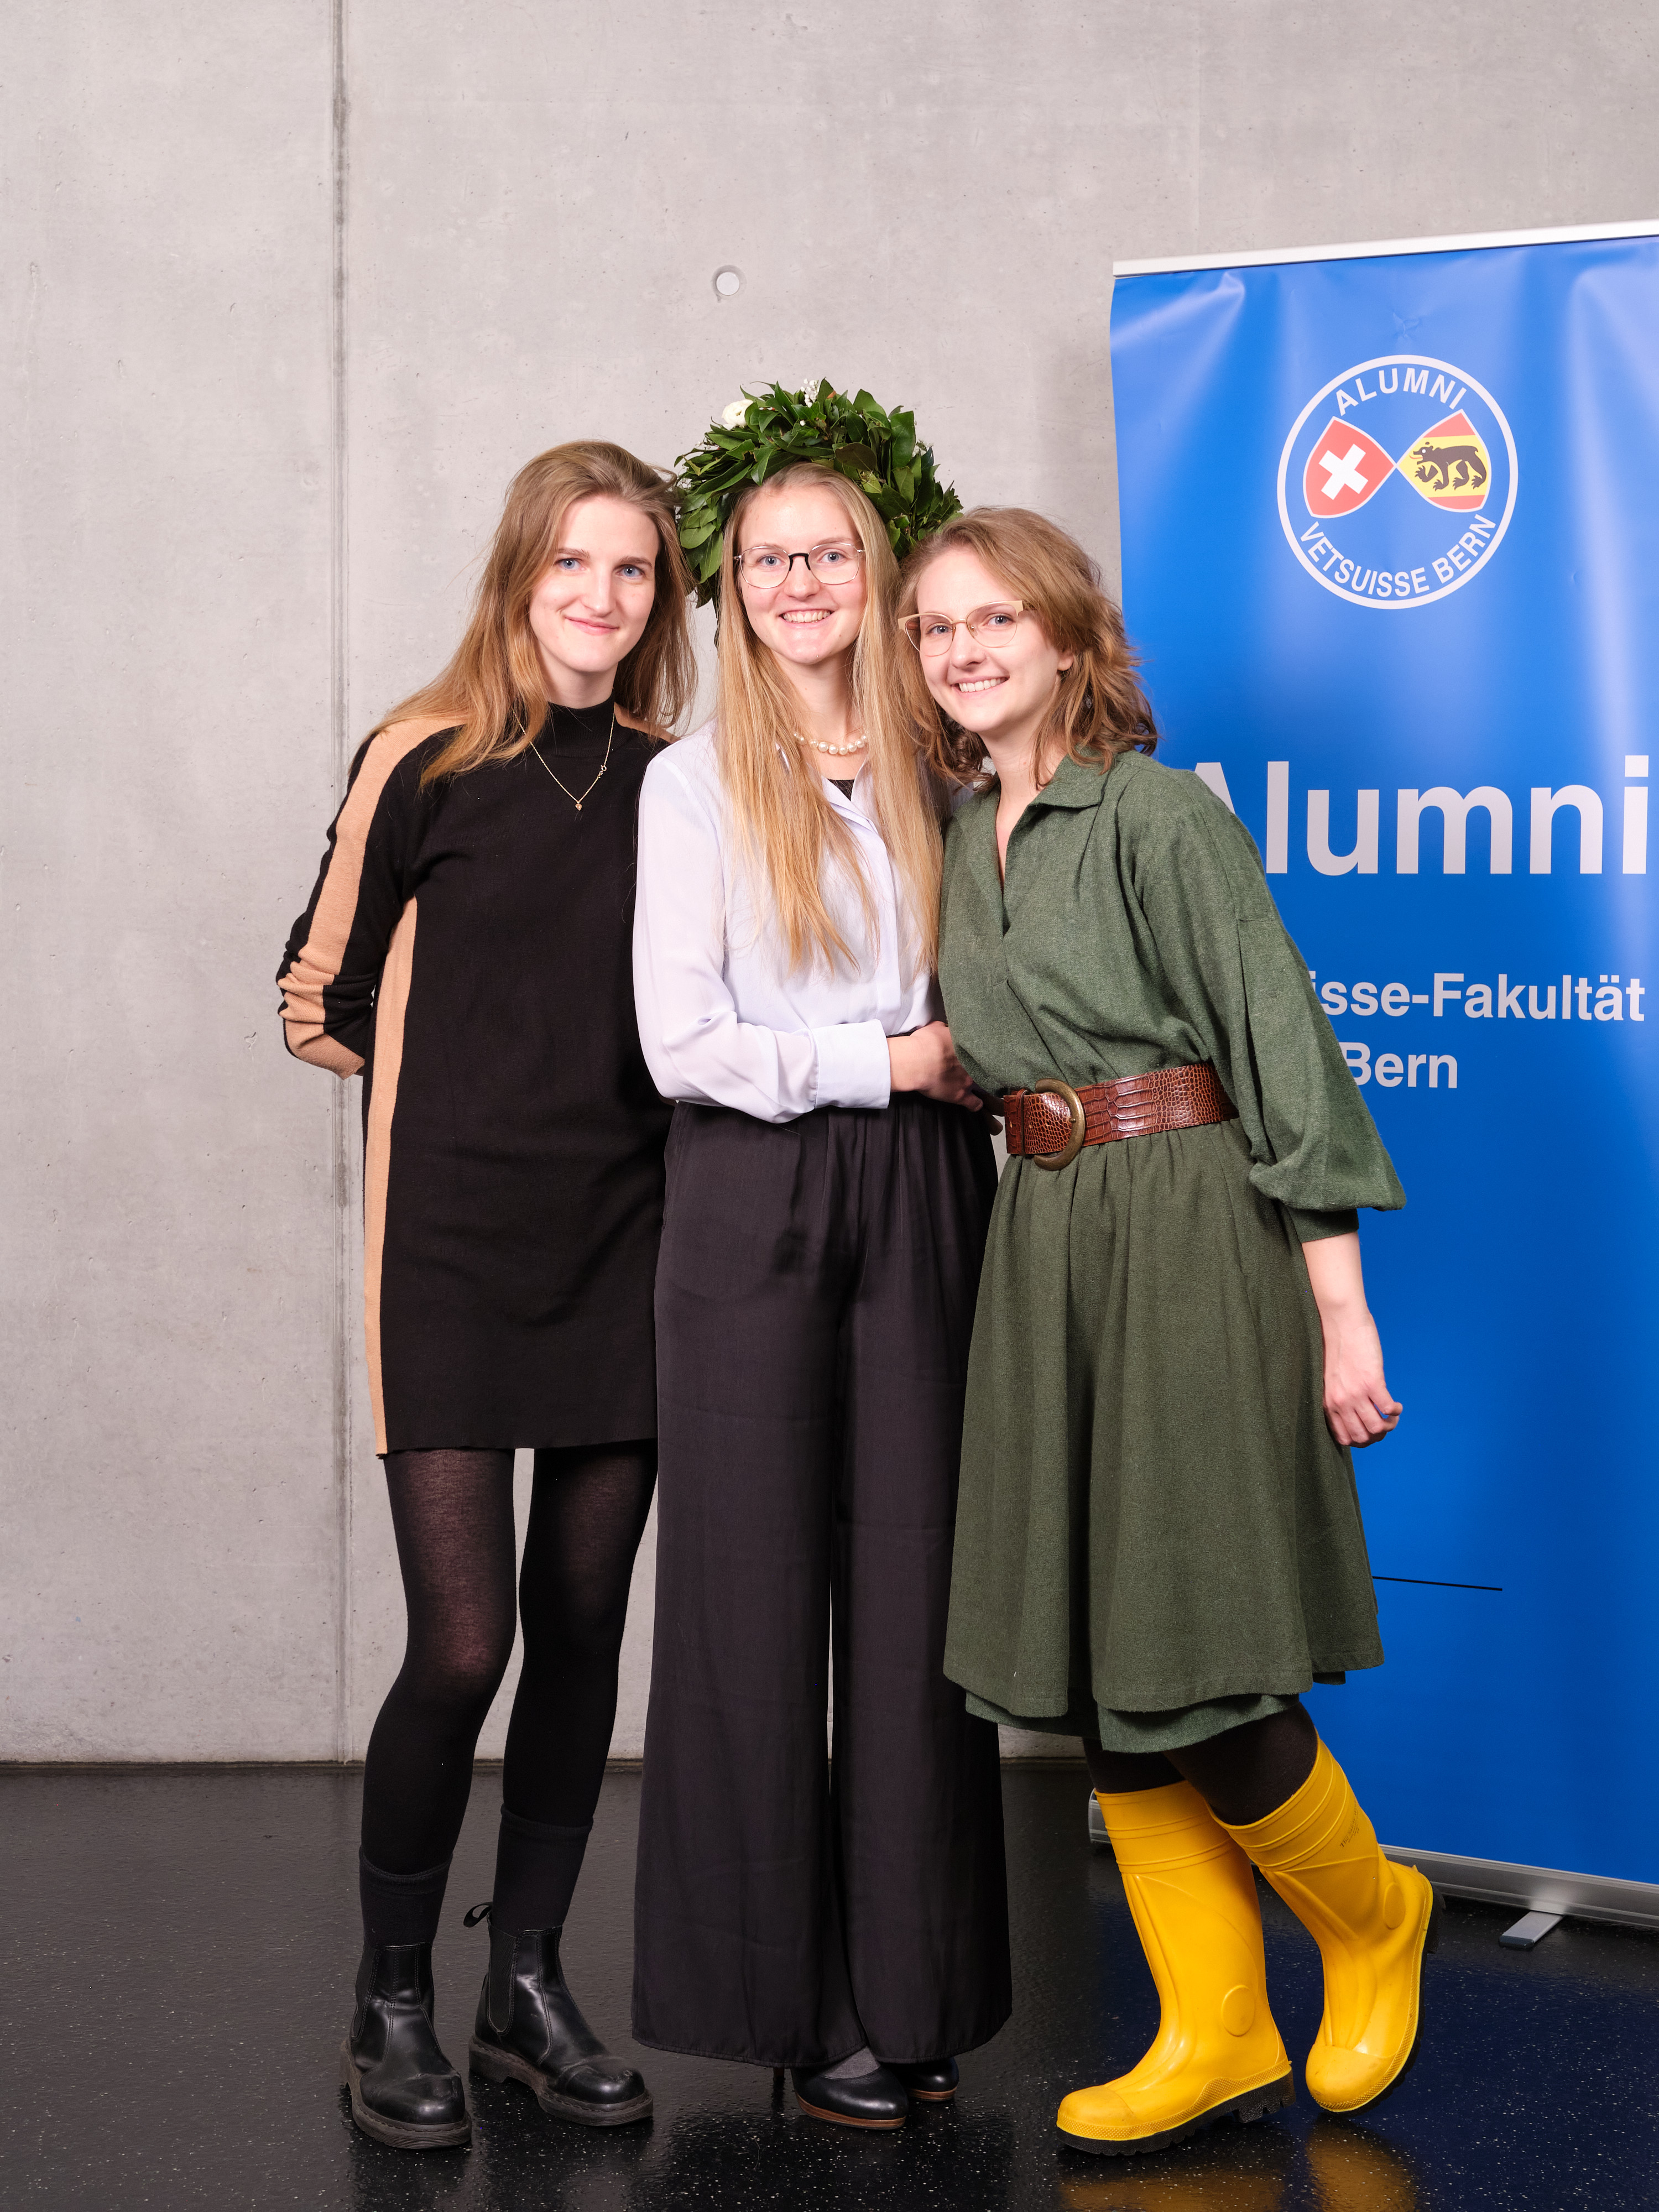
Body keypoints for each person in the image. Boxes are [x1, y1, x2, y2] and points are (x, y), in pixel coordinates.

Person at [900, 506, 1433, 2158]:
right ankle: (1215, 2027)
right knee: (1094, 1665)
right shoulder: (958, 832)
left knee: (1197, 1653)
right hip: (1045, 1241)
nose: (964, 650)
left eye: (997, 619)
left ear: (1070, 638)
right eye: (936, 628)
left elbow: (1282, 1051)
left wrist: (1341, 1315)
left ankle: (1374, 1917)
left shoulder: (1159, 817)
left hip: (1189, 1229)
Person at [277, 441, 694, 2150]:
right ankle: (391, 1999)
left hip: (630, 1252)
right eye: (571, 563)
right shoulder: (424, 753)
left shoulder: (681, 782)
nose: (601, 597)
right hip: (450, 1255)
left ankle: (523, 1983)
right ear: (519, 573)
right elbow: (311, 997)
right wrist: (457, 1098)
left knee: (586, 1628)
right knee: (466, 1645)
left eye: (633, 570)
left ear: (662, 598)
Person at [629, 423, 1012, 2131]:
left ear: (878, 574)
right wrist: (890, 1063)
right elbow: (683, 1044)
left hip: (927, 1191)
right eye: (769, 558)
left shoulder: (944, 767)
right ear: (735, 586)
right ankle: (790, 2007)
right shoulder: (696, 783)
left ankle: (912, 1990)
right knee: (752, 1596)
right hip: (755, 1190)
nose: (799, 581)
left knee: (925, 1592)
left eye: (829, 553)